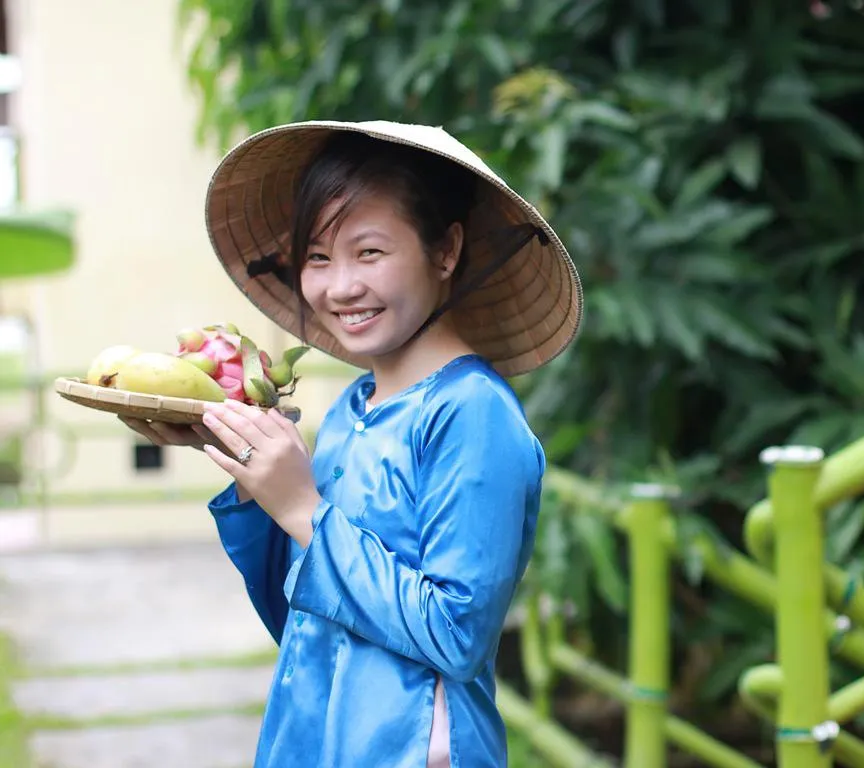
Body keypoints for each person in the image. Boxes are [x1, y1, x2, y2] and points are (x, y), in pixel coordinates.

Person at [120, 120, 583, 767]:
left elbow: (457, 636)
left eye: (369, 253)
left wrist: (305, 509)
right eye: (317, 257)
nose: (339, 287)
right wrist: (243, 461)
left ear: (445, 251)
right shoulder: (349, 410)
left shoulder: (471, 413)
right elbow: (307, 616)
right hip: (314, 738)